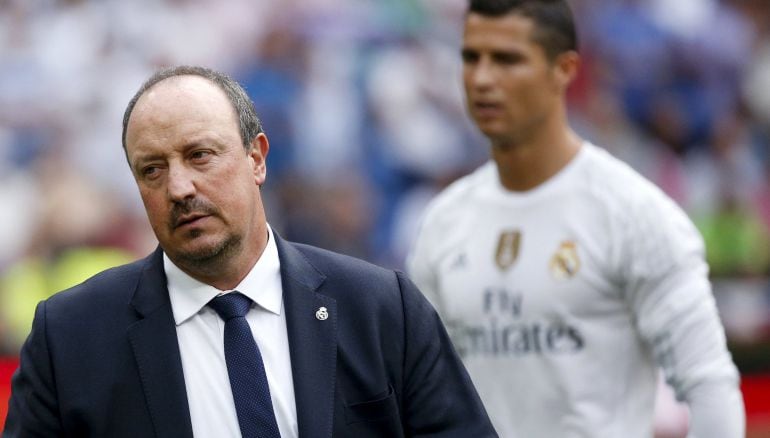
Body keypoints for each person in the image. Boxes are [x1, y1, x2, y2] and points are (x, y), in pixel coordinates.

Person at [4, 65, 496, 438]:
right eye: (152, 170)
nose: (178, 187)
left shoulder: (381, 309)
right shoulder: (71, 337)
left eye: (200, 155)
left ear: (256, 157)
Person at [407, 1, 745, 437]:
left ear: (564, 70)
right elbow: (420, 392)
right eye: (471, 57)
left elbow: (710, 386)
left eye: (507, 59)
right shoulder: (443, 222)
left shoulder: (635, 214)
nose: (483, 78)